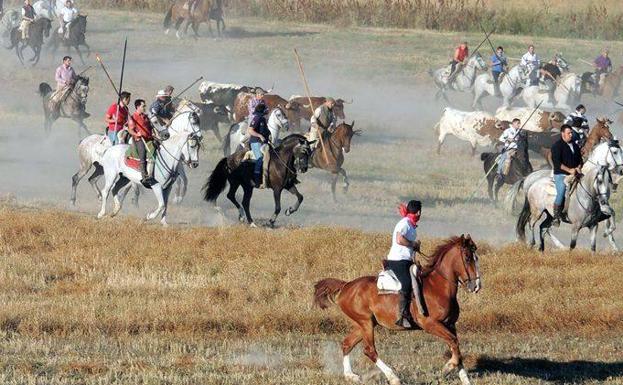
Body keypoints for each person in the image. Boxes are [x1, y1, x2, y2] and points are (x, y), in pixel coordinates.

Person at [386, 200, 422, 329]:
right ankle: (402, 316)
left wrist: (415, 247)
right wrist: (413, 244)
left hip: (406, 260)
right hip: (397, 260)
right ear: (418, 212)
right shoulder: (405, 223)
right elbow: (399, 239)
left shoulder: (410, 225)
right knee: (406, 283)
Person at [551, 125, 583, 224]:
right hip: (561, 174)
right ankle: (556, 217)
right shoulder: (557, 146)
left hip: (575, 173)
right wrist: (569, 170)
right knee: (561, 192)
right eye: (569, 133)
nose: (571, 134)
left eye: (571, 133)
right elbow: (557, 163)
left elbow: (580, 160)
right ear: (563, 133)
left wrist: (579, 166)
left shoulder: (575, 145)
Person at [127, 99, 155, 183]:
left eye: (145, 106)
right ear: (138, 107)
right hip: (139, 140)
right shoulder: (133, 117)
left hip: (149, 138)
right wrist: (137, 134)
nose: (145, 107)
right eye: (143, 106)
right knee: (142, 154)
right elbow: (130, 130)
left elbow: (150, 127)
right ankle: (144, 175)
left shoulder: (145, 116)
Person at [248, 103, 270, 187]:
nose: (267, 110)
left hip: (264, 143)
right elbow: (250, 130)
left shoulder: (263, 119)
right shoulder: (256, 118)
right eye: (265, 109)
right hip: (255, 142)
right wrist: (260, 135)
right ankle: (256, 179)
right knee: (260, 159)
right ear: (262, 110)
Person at [496, 118, 521, 184]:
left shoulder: (519, 131)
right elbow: (501, 138)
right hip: (509, 148)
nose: (519, 125)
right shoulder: (508, 131)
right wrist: (508, 139)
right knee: (504, 158)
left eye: (519, 123)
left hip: (517, 149)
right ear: (513, 124)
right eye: (517, 123)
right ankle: (499, 173)